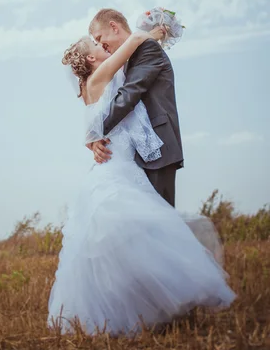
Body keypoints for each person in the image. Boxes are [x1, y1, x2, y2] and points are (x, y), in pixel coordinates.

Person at [48, 23, 235, 336]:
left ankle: (138, 308)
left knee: (135, 240)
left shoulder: (88, 86)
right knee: (150, 233)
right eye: (94, 44)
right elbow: (134, 39)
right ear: (93, 60)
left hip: (119, 162)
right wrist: (157, 29)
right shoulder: (103, 72)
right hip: (119, 165)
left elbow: (99, 118)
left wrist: (92, 137)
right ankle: (161, 304)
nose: (99, 45)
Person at [88, 8, 184, 207]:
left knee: (161, 224)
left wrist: (96, 131)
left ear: (113, 27)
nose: (99, 45)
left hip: (158, 149)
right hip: (140, 153)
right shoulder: (129, 58)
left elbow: (128, 96)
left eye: (99, 37)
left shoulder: (147, 48)